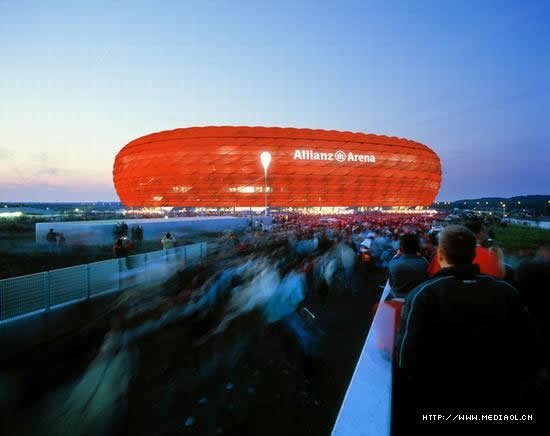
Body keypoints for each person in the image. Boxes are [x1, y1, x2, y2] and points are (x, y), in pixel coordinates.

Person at [395, 225, 528, 412]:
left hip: (440, 396)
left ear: (440, 254)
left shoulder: (424, 294)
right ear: (474, 254)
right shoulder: (507, 291)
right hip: (497, 395)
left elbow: (406, 356)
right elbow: (527, 347)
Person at [426, 218, 503, 278]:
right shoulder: (492, 256)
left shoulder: (444, 254)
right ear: (480, 234)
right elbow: (498, 277)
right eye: (485, 232)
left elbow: (431, 277)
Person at [388, 233, 428, 298]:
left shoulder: (393, 263)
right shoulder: (424, 262)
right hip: (417, 297)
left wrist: (396, 257)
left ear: (401, 248)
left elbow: (391, 283)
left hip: (396, 296)